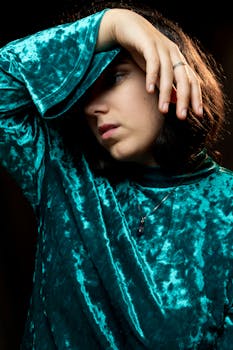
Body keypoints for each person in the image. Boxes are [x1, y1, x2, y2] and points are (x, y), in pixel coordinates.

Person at [0, 0, 232, 348]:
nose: (93, 107)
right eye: (84, 93)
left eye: (114, 77)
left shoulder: (226, 207)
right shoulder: (62, 172)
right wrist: (111, 24)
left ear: (172, 72)